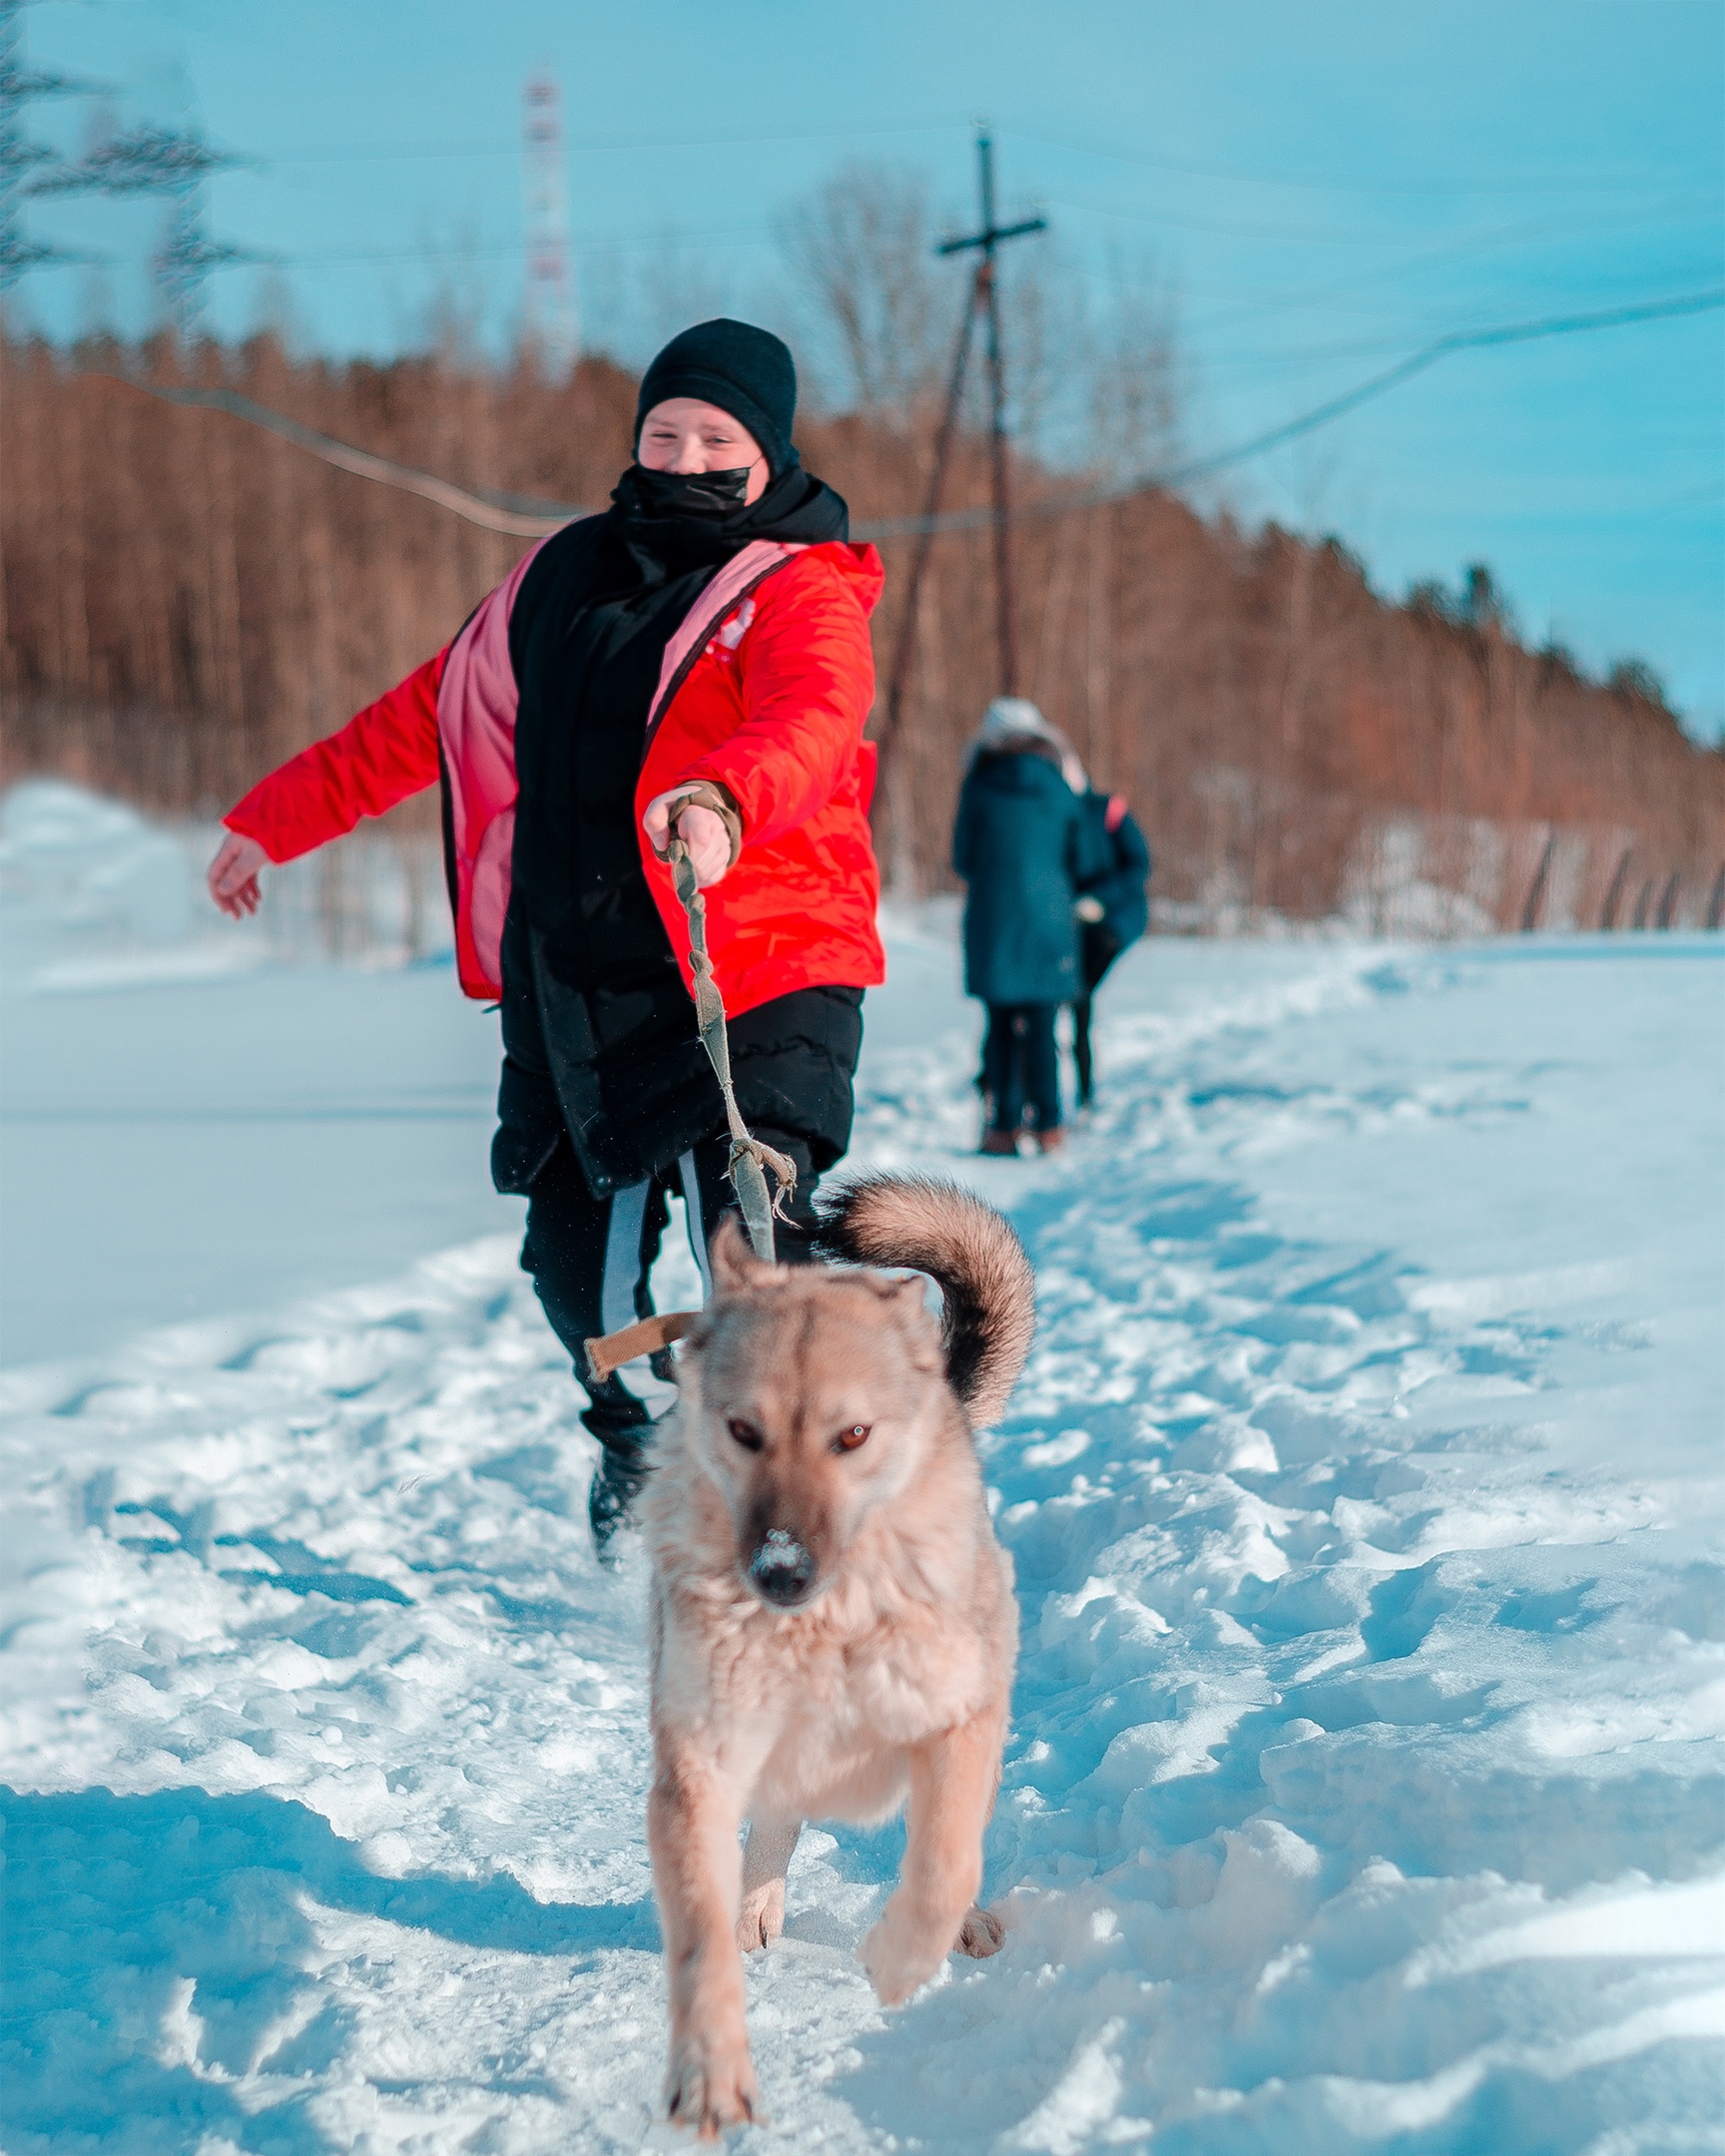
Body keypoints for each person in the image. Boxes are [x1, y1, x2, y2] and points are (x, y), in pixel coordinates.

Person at [206, 319, 885, 1552]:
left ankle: (806, 1512)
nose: (684, 454)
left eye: (717, 436)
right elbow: (422, 719)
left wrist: (726, 800)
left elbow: (816, 717)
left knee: (759, 1251)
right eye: (663, 430)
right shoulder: (562, 574)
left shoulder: (799, 585)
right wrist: (271, 823)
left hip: (759, 968)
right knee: (580, 1275)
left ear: (767, 449)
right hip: (582, 984)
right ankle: (639, 1421)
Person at [951, 698, 1103, 1157]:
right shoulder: (1062, 787)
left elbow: (963, 858)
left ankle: (1002, 1127)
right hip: (1049, 922)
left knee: (999, 1023)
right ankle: (1050, 1125)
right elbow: (1088, 858)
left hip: (994, 921)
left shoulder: (978, 786)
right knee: (1041, 1023)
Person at [1071, 787, 1151, 1110]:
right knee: (1072, 1001)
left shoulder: (1108, 809)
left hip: (1113, 922)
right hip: (1071, 922)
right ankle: (1079, 1092)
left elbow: (1139, 865)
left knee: (1079, 997)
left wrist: (1100, 899)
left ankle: (1085, 1093)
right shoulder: (1052, 812)